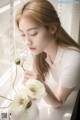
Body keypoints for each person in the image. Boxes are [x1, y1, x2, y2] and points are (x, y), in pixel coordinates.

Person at [15, 0, 80, 115]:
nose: (27, 41)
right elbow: (34, 87)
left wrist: (40, 83)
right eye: (23, 34)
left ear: (52, 28)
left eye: (33, 33)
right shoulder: (40, 51)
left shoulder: (73, 59)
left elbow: (58, 102)